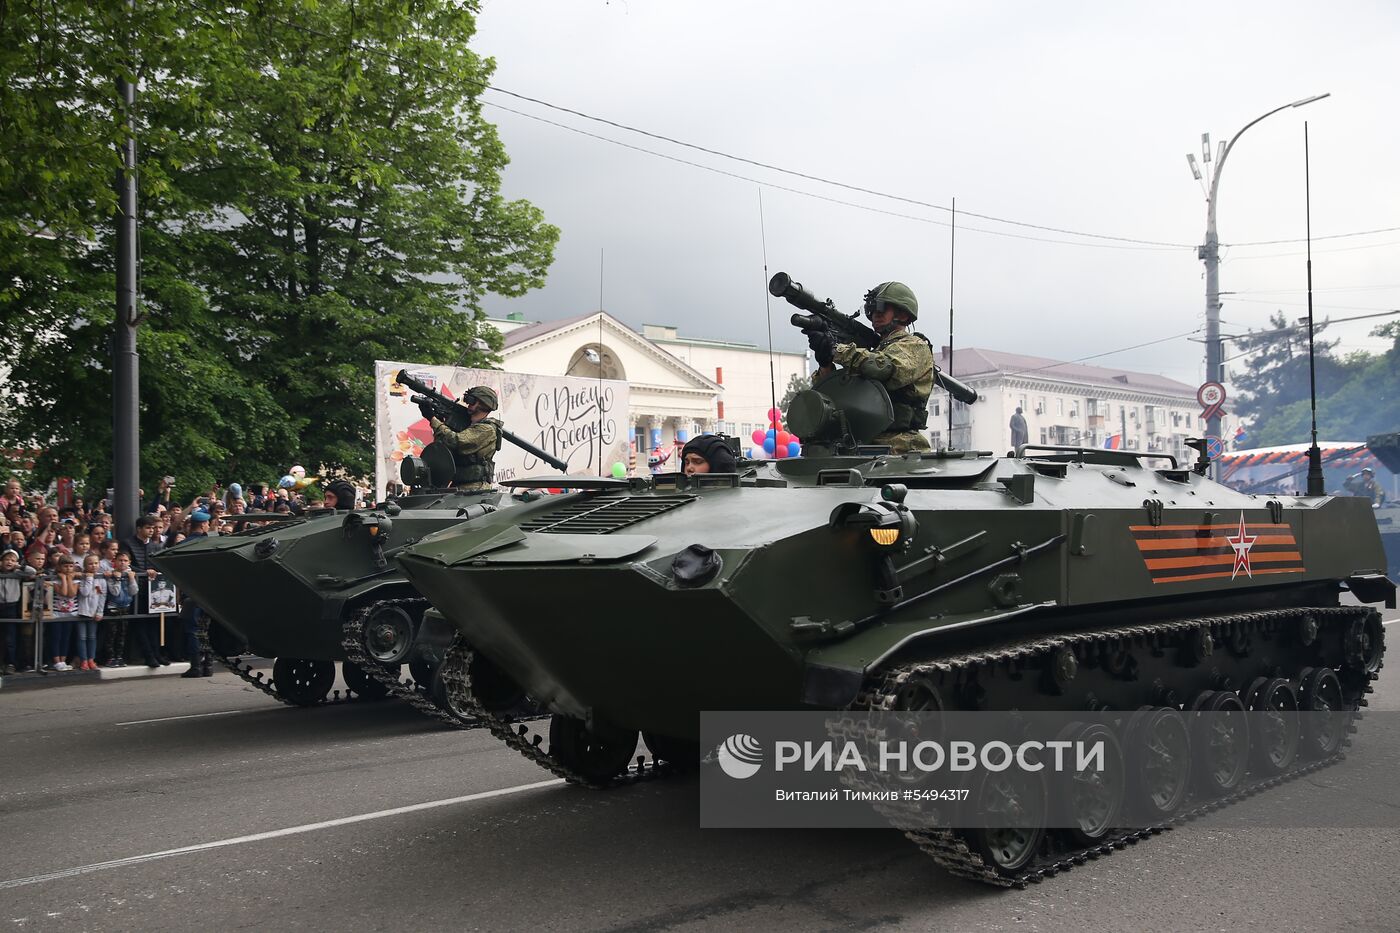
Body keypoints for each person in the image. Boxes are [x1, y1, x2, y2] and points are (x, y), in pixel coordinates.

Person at [809, 281, 935, 454]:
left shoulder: (915, 346)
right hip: (855, 443)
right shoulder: (871, 353)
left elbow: (882, 368)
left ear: (903, 315)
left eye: (882, 308)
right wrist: (825, 365)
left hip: (900, 447)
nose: (876, 314)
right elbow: (835, 394)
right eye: (872, 310)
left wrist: (836, 350)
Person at [420, 386, 504, 491]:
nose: (468, 404)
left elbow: (458, 441)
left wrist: (433, 419)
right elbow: (442, 449)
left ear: (484, 404)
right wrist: (441, 422)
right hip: (458, 486)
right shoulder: (467, 426)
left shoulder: (487, 429)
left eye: (472, 401)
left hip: (475, 489)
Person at [74, 553, 106, 671]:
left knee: (92, 637)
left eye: (96, 563)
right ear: (85, 565)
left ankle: (91, 659)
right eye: (90, 563)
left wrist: (100, 612)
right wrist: (89, 578)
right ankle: (84, 660)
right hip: (82, 611)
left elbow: (103, 596)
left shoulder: (102, 578)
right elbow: (85, 592)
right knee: (82, 637)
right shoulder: (82, 578)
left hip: (93, 613)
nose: (93, 566)